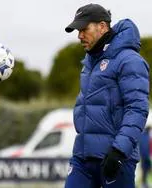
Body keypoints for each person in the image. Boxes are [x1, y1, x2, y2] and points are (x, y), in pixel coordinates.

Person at [64, 3, 149, 188]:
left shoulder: (129, 60)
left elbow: (137, 109)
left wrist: (119, 151)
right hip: (82, 158)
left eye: (84, 29)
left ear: (102, 26)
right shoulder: (88, 63)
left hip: (116, 159)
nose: (79, 35)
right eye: (78, 31)